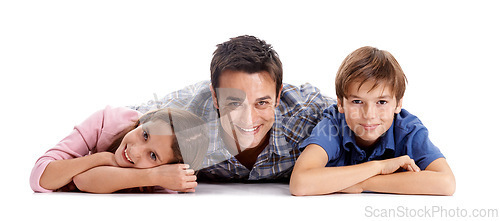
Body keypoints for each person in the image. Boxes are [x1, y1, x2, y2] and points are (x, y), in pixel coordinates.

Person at [129, 35, 334, 182]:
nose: (248, 118)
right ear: (215, 97)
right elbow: (111, 133)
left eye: (261, 103)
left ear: (278, 95)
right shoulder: (180, 120)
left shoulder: (309, 114)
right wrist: (151, 175)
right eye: (234, 104)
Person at [289, 46, 456, 196]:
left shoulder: (407, 129)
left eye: (381, 102)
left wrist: (363, 183)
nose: (369, 115)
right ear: (340, 103)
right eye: (357, 102)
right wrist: (380, 167)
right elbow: (300, 183)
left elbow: (446, 183)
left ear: (398, 104)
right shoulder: (332, 126)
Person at [30, 107, 208, 193]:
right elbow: (41, 178)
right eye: (145, 135)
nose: (135, 151)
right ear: (143, 122)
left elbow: (83, 179)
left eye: (153, 156)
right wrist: (102, 159)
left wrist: (152, 176)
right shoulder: (107, 122)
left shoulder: (165, 176)